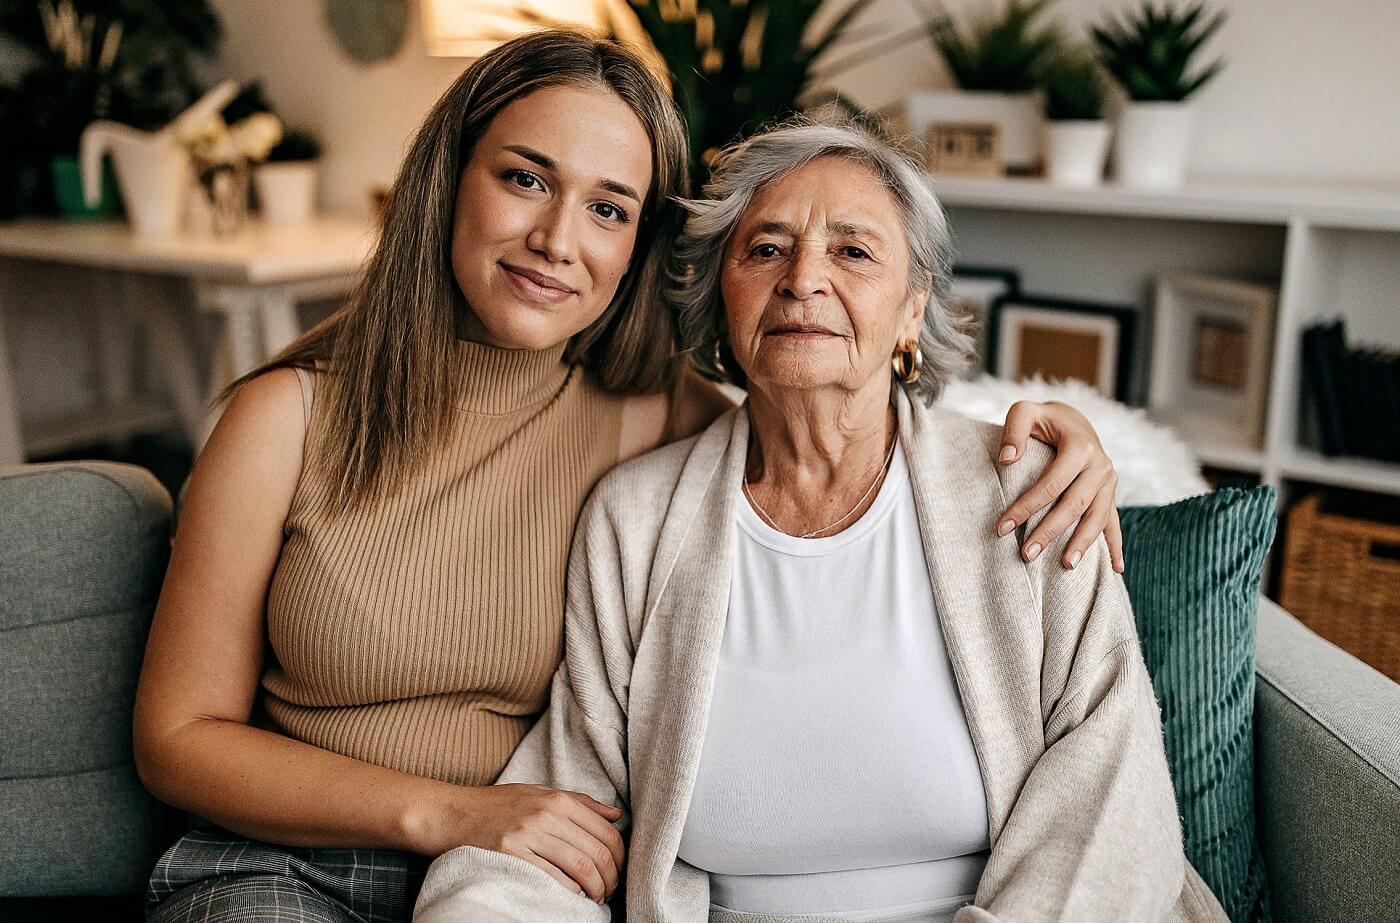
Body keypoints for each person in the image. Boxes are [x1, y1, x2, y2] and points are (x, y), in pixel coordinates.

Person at [135, 31, 1127, 923]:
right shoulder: (287, 417)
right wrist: (450, 812)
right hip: (304, 864)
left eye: (606, 207)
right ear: (448, 181)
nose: (558, 239)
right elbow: (176, 736)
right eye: (524, 179)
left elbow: (819, 396)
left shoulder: (648, 426)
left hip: (532, 874)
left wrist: (1057, 435)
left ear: (635, 249)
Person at [415, 116, 1227, 923]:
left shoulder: (1025, 491)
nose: (803, 279)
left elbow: (1109, 794)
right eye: (765, 249)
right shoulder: (637, 519)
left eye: (853, 250)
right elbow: (570, 800)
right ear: (719, 298)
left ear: (913, 312)